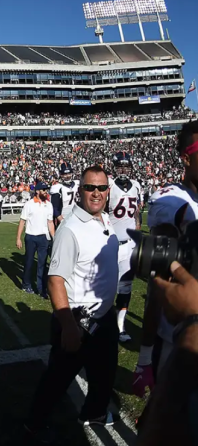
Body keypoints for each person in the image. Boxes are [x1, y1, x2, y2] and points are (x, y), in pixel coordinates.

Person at [26, 166, 119, 443]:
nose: (96, 193)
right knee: (58, 378)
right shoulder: (70, 228)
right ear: (80, 190)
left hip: (104, 314)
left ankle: (94, 413)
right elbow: (55, 280)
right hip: (78, 318)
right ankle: (33, 423)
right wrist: (67, 325)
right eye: (90, 187)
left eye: (101, 188)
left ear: (107, 191)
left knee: (104, 373)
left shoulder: (104, 219)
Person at [134, 120, 198, 399]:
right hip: (180, 336)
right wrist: (145, 357)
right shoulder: (171, 201)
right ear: (186, 158)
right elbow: (157, 283)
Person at [139, 261, 198, 445]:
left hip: (182, 343)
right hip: (169, 341)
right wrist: (144, 357)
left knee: (169, 421)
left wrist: (193, 321)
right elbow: (156, 296)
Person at [108, 151, 142, 343]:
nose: (123, 170)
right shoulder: (109, 185)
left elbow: (137, 212)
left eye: (126, 166)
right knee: (107, 286)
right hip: (110, 244)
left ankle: (120, 327)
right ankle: (101, 323)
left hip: (128, 245)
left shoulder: (136, 185)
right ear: (114, 167)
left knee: (126, 287)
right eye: (120, 166)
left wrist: (137, 229)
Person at [16, 182, 56, 298]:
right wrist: (18, 238)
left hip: (44, 238)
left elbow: (50, 223)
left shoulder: (49, 205)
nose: (46, 192)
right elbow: (22, 221)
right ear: (37, 191)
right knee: (28, 262)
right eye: (43, 190)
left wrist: (54, 238)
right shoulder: (29, 204)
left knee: (42, 264)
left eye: (46, 190)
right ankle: (26, 284)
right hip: (31, 237)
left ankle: (41, 288)